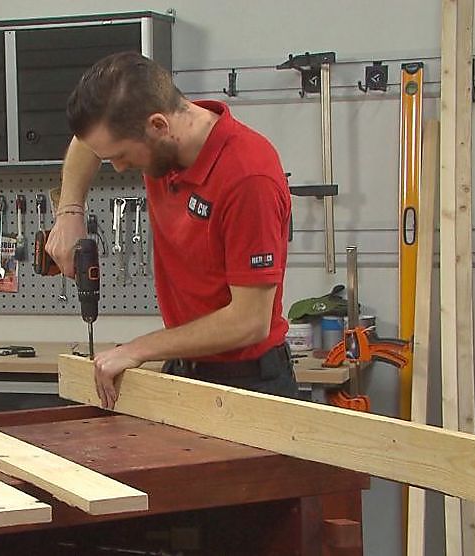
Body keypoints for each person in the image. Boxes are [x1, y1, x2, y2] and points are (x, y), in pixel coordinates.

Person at [46, 51, 296, 409]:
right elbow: (86, 143)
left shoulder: (247, 177)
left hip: (250, 385)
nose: (119, 168)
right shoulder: (162, 142)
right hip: (186, 370)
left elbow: (249, 321)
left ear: (158, 126)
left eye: (120, 155)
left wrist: (137, 349)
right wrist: (70, 211)